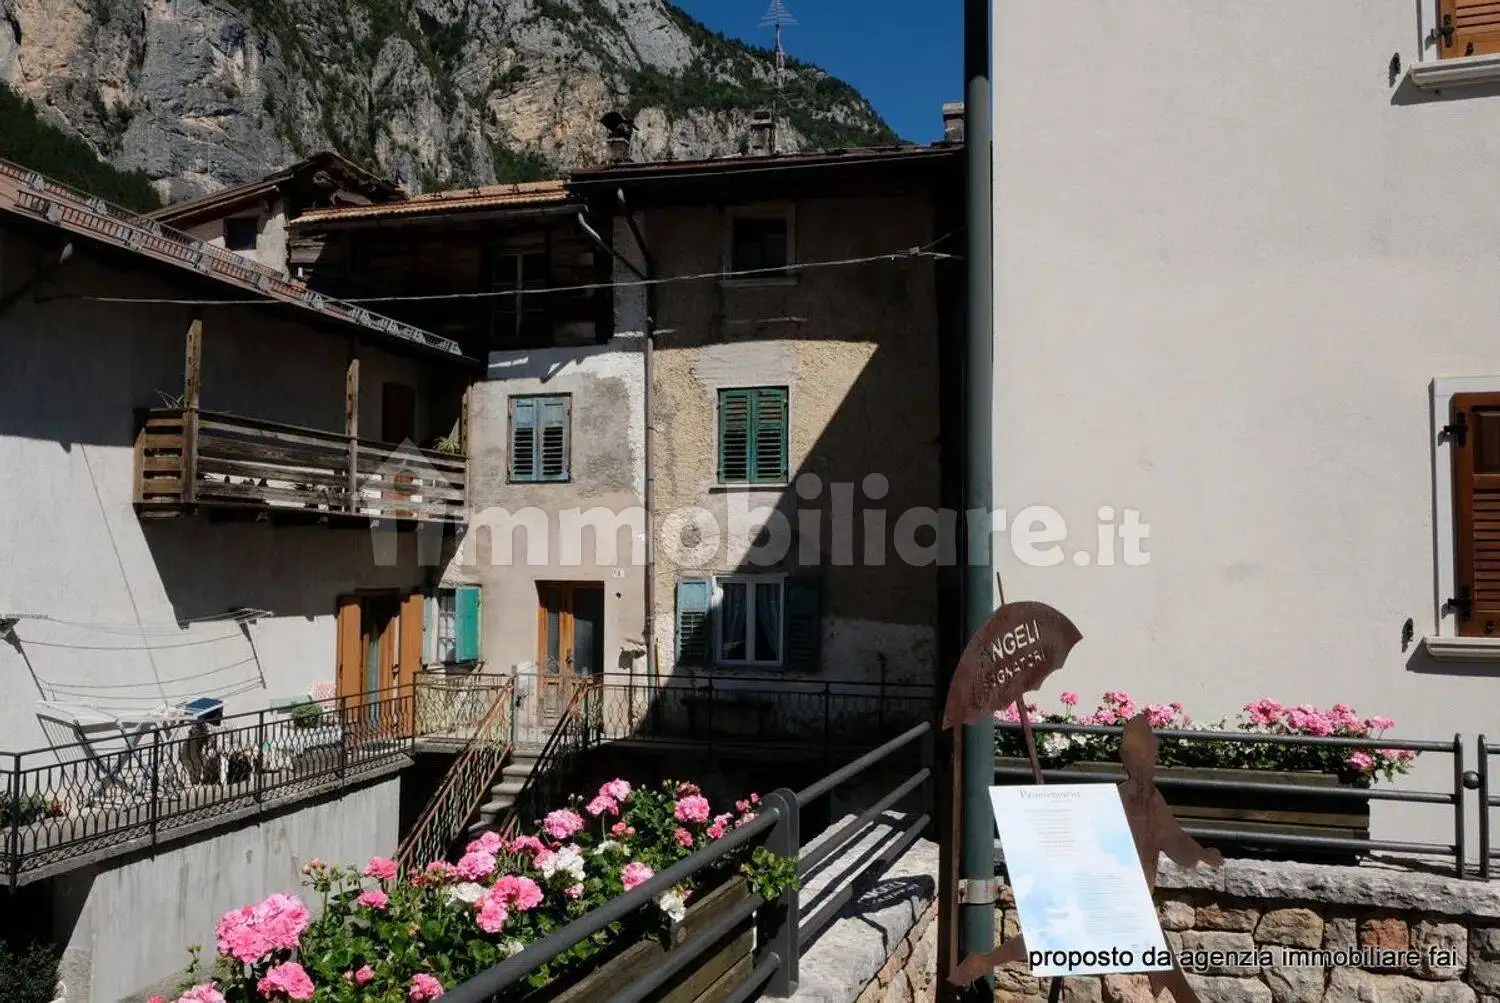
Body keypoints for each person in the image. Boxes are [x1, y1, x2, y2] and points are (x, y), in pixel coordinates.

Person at [949, 714, 1222, 1003]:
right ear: (1133, 757)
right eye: (1145, 751)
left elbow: (1175, 841)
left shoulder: (1143, 799)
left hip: (1124, 903)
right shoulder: (1123, 799)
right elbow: (1166, 844)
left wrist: (1200, 854)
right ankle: (982, 963)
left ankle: (983, 962)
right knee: (1055, 938)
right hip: (1111, 900)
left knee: (1057, 938)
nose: (1149, 757)